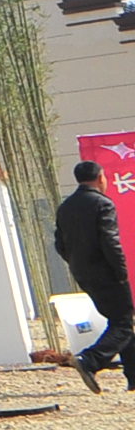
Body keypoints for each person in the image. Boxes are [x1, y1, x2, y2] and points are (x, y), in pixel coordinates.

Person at [59, 159, 132, 392]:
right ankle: (90, 360)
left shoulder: (66, 206)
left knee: (119, 321)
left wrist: (76, 263)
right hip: (106, 271)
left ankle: (133, 377)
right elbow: (110, 242)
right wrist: (121, 272)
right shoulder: (102, 204)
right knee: (123, 324)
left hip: (83, 271)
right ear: (101, 178)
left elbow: (59, 243)